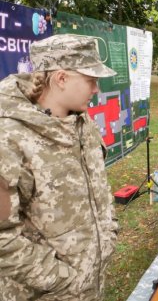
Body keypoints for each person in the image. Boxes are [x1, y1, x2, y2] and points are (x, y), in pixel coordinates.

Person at [0, 34, 119, 301]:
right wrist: (64, 280)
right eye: (91, 80)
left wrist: (109, 233)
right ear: (61, 78)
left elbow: (98, 186)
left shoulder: (81, 123)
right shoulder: (8, 136)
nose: (96, 89)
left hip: (90, 285)